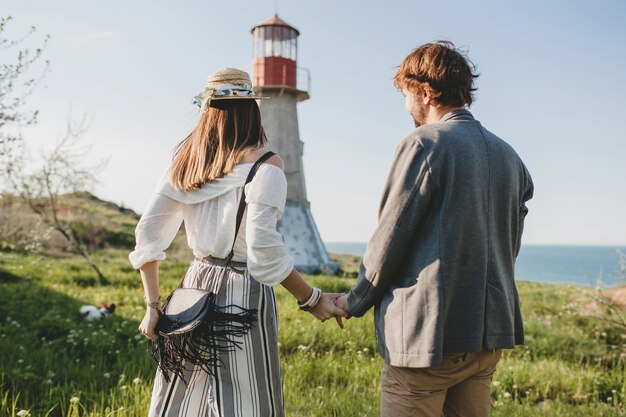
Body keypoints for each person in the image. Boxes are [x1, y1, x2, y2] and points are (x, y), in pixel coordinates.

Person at [129, 67, 347, 417]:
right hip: (242, 292)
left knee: (182, 401)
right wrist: (312, 299)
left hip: (192, 288)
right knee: (246, 402)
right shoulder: (267, 166)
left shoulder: (185, 165)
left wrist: (153, 306)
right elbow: (263, 251)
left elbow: (148, 234)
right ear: (252, 111)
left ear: (207, 112)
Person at [335, 41, 534, 417]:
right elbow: (510, 241)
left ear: (425, 91)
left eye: (407, 94)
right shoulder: (511, 156)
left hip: (426, 341)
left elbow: (389, 239)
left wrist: (354, 300)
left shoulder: (424, 144)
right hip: (485, 337)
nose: (406, 106)